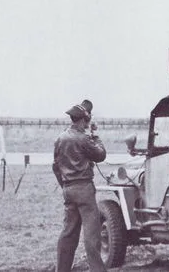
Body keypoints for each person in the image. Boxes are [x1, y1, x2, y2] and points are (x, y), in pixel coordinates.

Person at [53, 99, 108, 272]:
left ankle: (62, 269)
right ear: (84, 120)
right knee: (92, 236)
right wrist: (95, 136)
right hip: (84, 189)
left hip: (68, 189)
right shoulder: (84, 139)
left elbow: (55, 166)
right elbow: (100, 155)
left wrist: (64, 184)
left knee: (68, 233)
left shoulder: (60, 138)